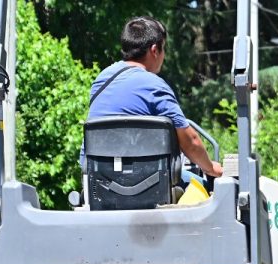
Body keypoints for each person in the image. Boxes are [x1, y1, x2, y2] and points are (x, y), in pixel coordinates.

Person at [86, 16, 222, 177]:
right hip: (145, 182)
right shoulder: (154, 85)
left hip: (97, 181)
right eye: (163, 48)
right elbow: (190, 142)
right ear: (155, 50)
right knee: (201, 184)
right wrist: (211, 169)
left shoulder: (101, 80)